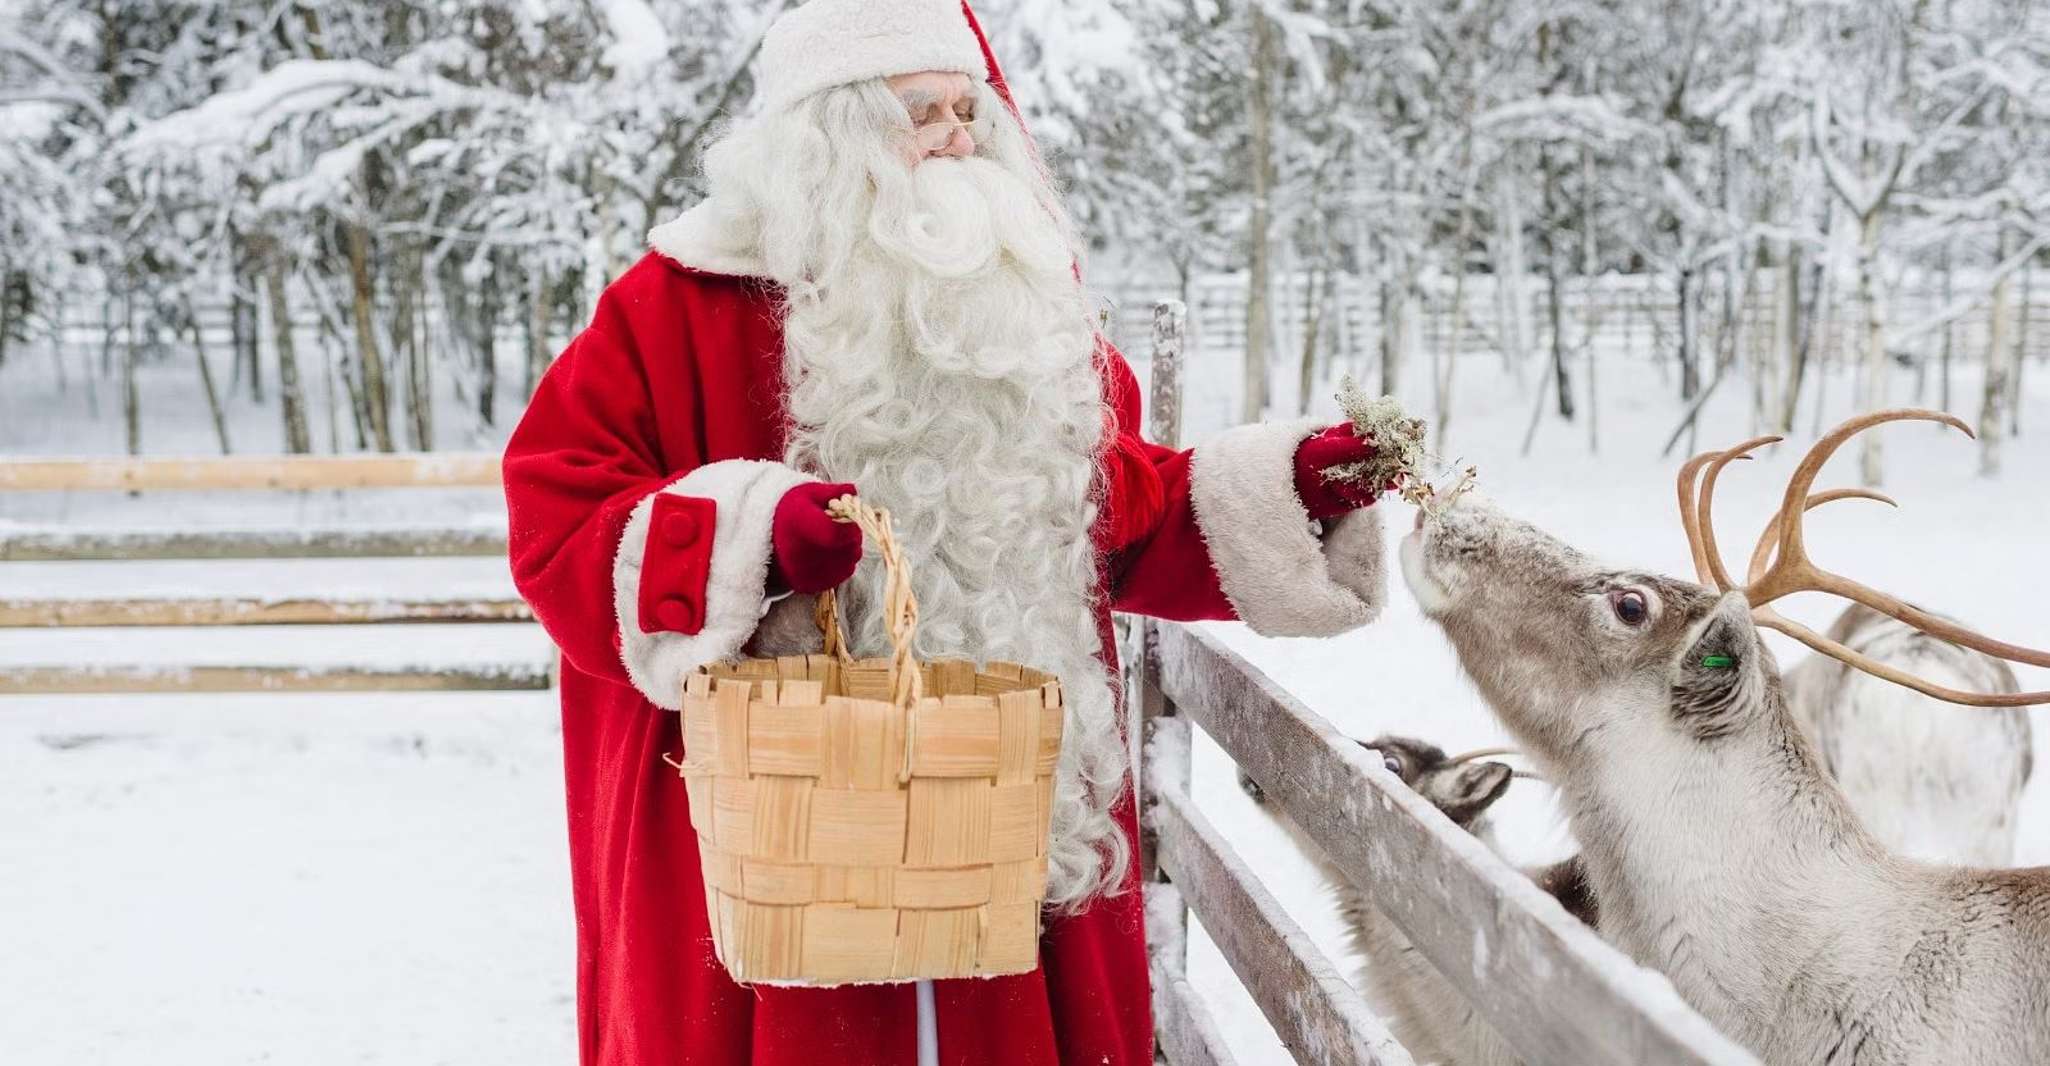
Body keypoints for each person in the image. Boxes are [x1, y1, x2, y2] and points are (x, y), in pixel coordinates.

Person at [502, 1, 1393, 1061]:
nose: (959, 136)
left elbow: (1109, 514)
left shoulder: (1019, 312)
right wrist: (750, 542)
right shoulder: (673, 307)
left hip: (1005, 847)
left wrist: (1286, 489)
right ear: (822, 140)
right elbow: (559, 515)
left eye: (968, 109)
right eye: (920, 113)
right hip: (776, 861)